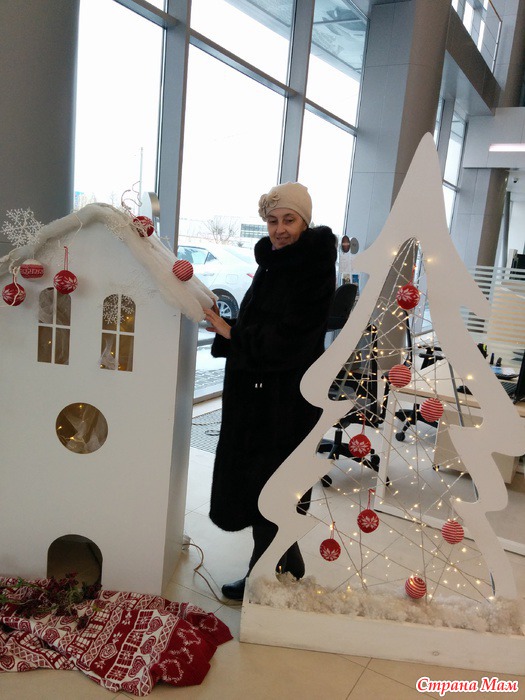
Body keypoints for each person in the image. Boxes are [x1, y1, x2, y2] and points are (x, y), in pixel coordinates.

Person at [203, 182, 337, 601]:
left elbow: (292, 339)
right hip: (262, 394)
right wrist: (229, 329)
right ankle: (288, 564)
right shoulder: (276, 261)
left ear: (304, 222)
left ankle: (261, 579)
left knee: (271, 489)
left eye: (289, 220)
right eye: (273, 221)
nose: (279, 229)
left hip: (285, 400)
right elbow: (263, 324)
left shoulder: (311, 266)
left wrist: (234, 335)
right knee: (265, 485)